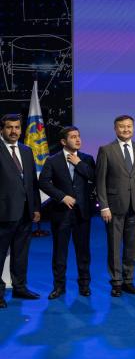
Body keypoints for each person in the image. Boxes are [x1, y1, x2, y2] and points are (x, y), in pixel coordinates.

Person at [39, 126, 95, 298]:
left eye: (78, 136)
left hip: (82, 213)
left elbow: (94, 177)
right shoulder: (52, 160)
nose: (78, 139)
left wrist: (79, 164)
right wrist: (62, 197)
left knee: (83, 252)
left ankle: (84, 285)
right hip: (61, 213)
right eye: (73, 137)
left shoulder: (86, 158)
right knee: (60, 252)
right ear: (63, 141)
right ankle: (59, 287)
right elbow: (44, 182)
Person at [96, 115, 135, 297]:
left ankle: (128, 280)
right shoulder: (106, 150)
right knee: (114, 246)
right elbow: (100, 180)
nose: (126, 129)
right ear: (115, 129)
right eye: (122, 127)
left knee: (132, 246)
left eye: (129, 126)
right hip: (114, 207)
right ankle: (116, 282)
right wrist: (104, 206)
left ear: (133, 128)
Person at [0, 114, 41, 307]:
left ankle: (20, 287)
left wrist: (36, 208)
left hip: (25, 213)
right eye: (9, 127)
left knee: (21, 253)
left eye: (17, 127)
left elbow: (32, 183)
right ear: (2, 129)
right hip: (3, 213)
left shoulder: (26, 150)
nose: (13, 131)